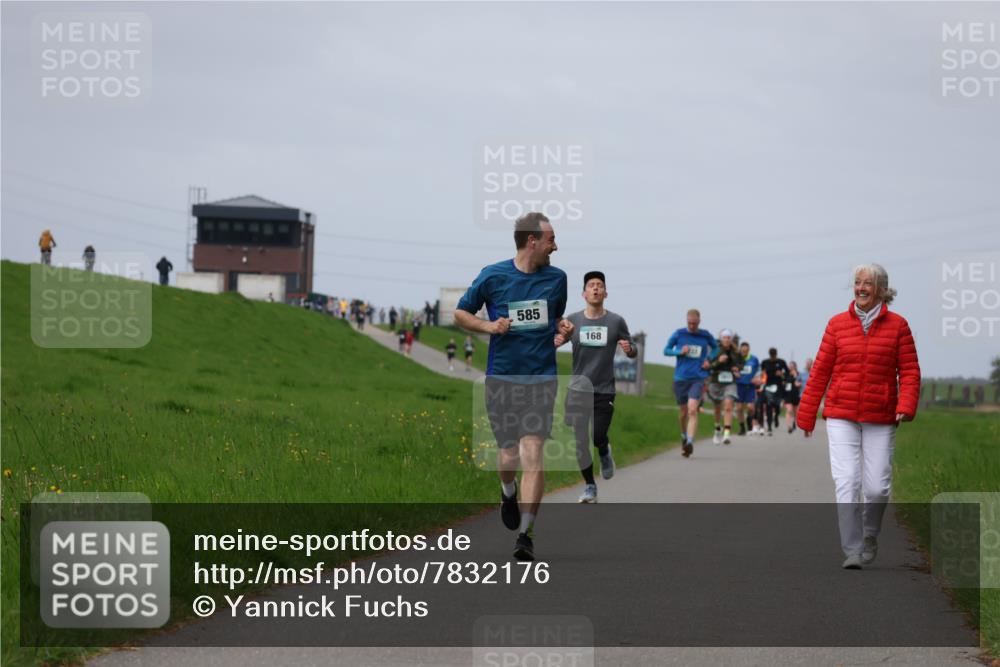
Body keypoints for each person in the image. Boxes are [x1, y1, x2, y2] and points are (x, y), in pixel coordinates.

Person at [453, 212, 571, 561]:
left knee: (533, 451)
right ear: (531, 240)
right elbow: (461, 313)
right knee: (508, 453)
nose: (556, 245)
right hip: (502, 377)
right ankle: (507, 491)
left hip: (541, 378)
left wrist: (563, 332)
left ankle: (526, 534)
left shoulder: (557, 278)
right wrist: (490, 327)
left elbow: (554, 324)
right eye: (551, 239)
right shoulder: (493, 275)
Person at [798, 263, 920, 570]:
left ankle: (869, 536)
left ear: (882, 290)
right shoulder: (837, 324)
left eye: (868, 283)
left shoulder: (898, 326)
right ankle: (852, 549)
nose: (861, 288)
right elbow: (820, 370)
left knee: (877, 487)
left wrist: (906, 403)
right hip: (841, 412)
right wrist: (807, 414)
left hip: (881, 413)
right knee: (847, 480)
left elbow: (909, 370)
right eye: (857, 282)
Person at [556, 270, 636, 503]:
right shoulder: (573, 321)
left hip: (604, 389)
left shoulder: (616, 321)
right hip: (578, 389)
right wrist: (558, 339)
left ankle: (604, 451)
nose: (595, 288)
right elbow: (554, 338)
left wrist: (630, 349)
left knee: (597, 434)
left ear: (605, 292)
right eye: (591, 285)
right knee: (580, 440)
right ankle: (590, 485)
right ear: (583, 293)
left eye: (599, 285)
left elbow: (632, 348)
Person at [663, 309, 717, 457]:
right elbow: (666, 350)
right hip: (680, 378)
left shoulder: (705, 335)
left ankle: (690, 442)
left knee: (692, 409)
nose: (692, 326)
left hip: (698, 378)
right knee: (683, 413)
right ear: (686, 321)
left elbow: (716, 348)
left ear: (699, 322)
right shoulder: (679, 334)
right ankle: (683, 436)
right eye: (689, 323)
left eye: (694, 323)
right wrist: (679, 352)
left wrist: (709, 359)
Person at [706, 329, 743, 445]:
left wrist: (737, 370)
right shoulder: (714, 350)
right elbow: (708, 366)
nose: (726, 339)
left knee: (728, 405)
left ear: (731, 339)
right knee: (717, 408)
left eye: (728, 337)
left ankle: (727, 434)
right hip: (716, 381)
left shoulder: (736, 352)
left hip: (730, 382)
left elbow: (740, 365)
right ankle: (717, 429)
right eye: (724, 337)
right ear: (721, 339)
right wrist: (718, 361)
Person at [759, 348, 789, 435]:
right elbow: (762, 374)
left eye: (774, 355)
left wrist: (782, 374)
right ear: (769, 355)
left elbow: (787, 373)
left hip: (778, 387)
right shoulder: (765, 362)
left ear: (776, 354)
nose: (773, 357)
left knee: (776, 405)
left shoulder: (781, 362)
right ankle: (769, 427)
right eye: (771, 355)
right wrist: (762, 379)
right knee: (769, 405)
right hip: (768, 386)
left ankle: (776, 416)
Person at [735, 341, 761, 436]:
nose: (744, 352)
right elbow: (732, 368)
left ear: (748, 350)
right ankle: (742, 427)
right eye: (742, 351)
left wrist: (757, 378)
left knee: (750, 407)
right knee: (739, 408)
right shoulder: (737, 359)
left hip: (750, 386)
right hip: (739, 385)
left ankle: (749, 419)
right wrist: (735, 373)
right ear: (740, 350)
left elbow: (759, 370)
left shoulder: (754, 359)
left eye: (746, 350)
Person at [783, 361, 803, 433]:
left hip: (795, 395)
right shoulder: (786, 374)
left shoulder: (798, 374)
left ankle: (794, 423)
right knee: (789, 410)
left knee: (795, 412)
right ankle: (789, 426)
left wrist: (795, 377)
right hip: (787, 395)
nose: (791, 367)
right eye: (790, 366)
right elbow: (783, 383)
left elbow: (799, 384)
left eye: (792, 366)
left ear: (795, 367)